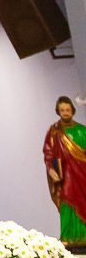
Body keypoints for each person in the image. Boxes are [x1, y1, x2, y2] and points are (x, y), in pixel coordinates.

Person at [44, 95, 86, 243]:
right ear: (58, 111)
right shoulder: (54, 131)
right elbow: (48, 152)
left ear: (72, 110)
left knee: (83, 202)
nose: (65, 113)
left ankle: (83, 235)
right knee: (67, 202)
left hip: (82, 174)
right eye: (62, 110)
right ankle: (67, 236)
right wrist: (51, 169)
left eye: (67, 110)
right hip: (65, 175)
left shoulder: (82, 130)